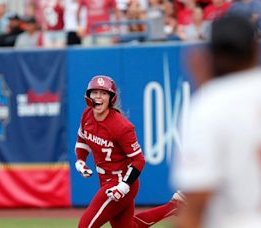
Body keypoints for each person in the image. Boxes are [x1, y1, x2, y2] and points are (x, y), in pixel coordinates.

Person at [171, 13, 261, 228]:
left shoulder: (210, 102)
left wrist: (206, 87)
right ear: (258, 49)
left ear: (211, 54)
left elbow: (195, 204)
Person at [75, 75, 185, 228]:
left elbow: (139, 160)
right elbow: (82, 138)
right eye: (95, 92)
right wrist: (81, 161)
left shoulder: (121, 126)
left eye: (104, 93)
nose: (98, 96)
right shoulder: (87, 115)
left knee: (85, 226)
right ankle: (175, 206)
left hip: (120, 182)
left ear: (111, 98)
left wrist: (123, 186)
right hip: (105, 180)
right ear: (88, 96)